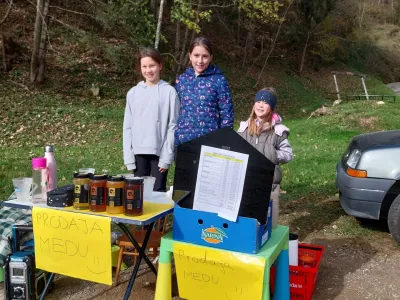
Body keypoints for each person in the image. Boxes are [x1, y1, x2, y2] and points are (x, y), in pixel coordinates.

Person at [123, 48, 180, 192]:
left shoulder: (170, 93)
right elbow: (128, 127)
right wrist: (129, 158)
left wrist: (166, 157)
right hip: (138, 154)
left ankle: (161, 216)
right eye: (145, 66)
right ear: (140, 68)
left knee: (157, 195)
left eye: (152, 65)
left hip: (159, 155)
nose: (148, 70)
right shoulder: (133, 93)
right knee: (138, 194)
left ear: (160, 66)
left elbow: (172, 126)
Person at [237, 87, 293, 227]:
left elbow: (288, 154)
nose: (261, 105)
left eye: (266, 102)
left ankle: (270, 239)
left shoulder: (278, 131)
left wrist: (271, 153)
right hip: (246, 179)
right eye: (258, 101)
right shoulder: (244, 129)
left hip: (269, 181)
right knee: (247, 216)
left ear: (272, 107)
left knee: (268, 219)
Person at [174, 37, 234, 145]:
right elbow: (175, 112)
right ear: (190, 56)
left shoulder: (219, 80)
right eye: (196, 55)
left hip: (210, 143)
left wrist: (224, 140)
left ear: (211, 57)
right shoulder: (182, 80)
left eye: (205, 56)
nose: (200, 61)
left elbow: (227, 114)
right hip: (183, 143)